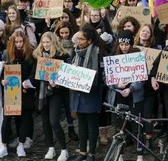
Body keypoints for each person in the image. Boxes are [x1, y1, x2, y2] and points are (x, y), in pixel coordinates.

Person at [0, 31, 36, 158]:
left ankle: (21, 144)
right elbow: (2, 72)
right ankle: (3, 146)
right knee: (6, 119)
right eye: (16, 42)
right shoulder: (8, 55)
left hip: (25, 92)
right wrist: (2, 80)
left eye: (21, 42)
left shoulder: (30, 56)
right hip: (11, 92)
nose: (18, 44)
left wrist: (28, 83)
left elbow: (33, 73)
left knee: (24, 119)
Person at [71, 25, 108, 161]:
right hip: (78, 92)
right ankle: (82, 152)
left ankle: (91, 153)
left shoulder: (98, 52)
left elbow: (102, 74)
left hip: (92, 92)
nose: (78, 41)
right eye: (78, 39)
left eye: (81, 39)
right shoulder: (75, 52)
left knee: (92, 124)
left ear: (90, 41)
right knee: (81, 124)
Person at [33, 32, 70, 161]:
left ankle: (64, 150)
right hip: (42, 93)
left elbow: (67, 76)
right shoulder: (38, 56)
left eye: (48, 42)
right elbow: (34, 75)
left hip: (56, 93)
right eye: (43, 42)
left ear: (53, 42)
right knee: (45, 122)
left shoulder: (62, 56)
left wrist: (57, 82)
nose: (45, 45)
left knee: (54, 121)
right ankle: (51, 148)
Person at [108, 30, 144, 161]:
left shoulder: (137, 55)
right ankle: (120, 155)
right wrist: (117, 85)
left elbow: (141, 78)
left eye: (126, 44)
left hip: (134, 98)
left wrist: (131, 88)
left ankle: (140, 156)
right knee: (119, 127)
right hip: (118, 96)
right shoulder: (113, 56)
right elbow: (106, 77)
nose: (123, 47)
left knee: (138, 127)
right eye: (121, 44)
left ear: (131, 44)